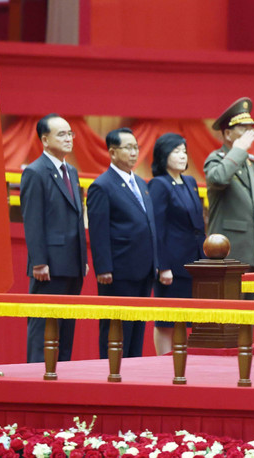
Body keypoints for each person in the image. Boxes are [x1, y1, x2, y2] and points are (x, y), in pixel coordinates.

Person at [87, 127, 166, 358]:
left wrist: (156, 262)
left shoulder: (141, 183)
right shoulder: (102, 185)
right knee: (116, 328)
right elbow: (99, 230)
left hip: (144, 269)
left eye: (136, 148)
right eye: (128, 148)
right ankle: (110, 372)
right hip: (119, 270)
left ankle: (132, 372)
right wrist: (103, 268)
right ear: (112, 153)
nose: (134, 153)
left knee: (137, 328)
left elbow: (150, 225)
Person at [20, 113, 87, 364]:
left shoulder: (71, 170)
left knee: (66, 326)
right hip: (48, 265)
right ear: (45, 140)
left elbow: (77, 217)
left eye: (70, 133)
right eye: (62, 134)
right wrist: (38, 262)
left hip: (72, 263)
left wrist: (82, 257)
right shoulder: (36, 172)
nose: (69, 138)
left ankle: (64, 372)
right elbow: (33, 220)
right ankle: (37, 374)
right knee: (42, 324)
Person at [149, 132, 206, 355]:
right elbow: (157, 228)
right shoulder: (159, 185)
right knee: (167, 320)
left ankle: (184, 359)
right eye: (176, 151)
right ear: (164, 156)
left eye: (184, 151)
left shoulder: (190, 182)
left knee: (188, 317)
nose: (182, 156)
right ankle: (163, 360)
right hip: (171, 263)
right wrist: (162, 266)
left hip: (194, 261)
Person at [204, 98, 254, 270]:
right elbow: (218, 178)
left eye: (250, 128)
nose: (249, 133)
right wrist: (238, 149)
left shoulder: (249, 162)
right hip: (231, 251)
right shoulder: (217, 159)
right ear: (227, 134)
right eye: (242, 128)